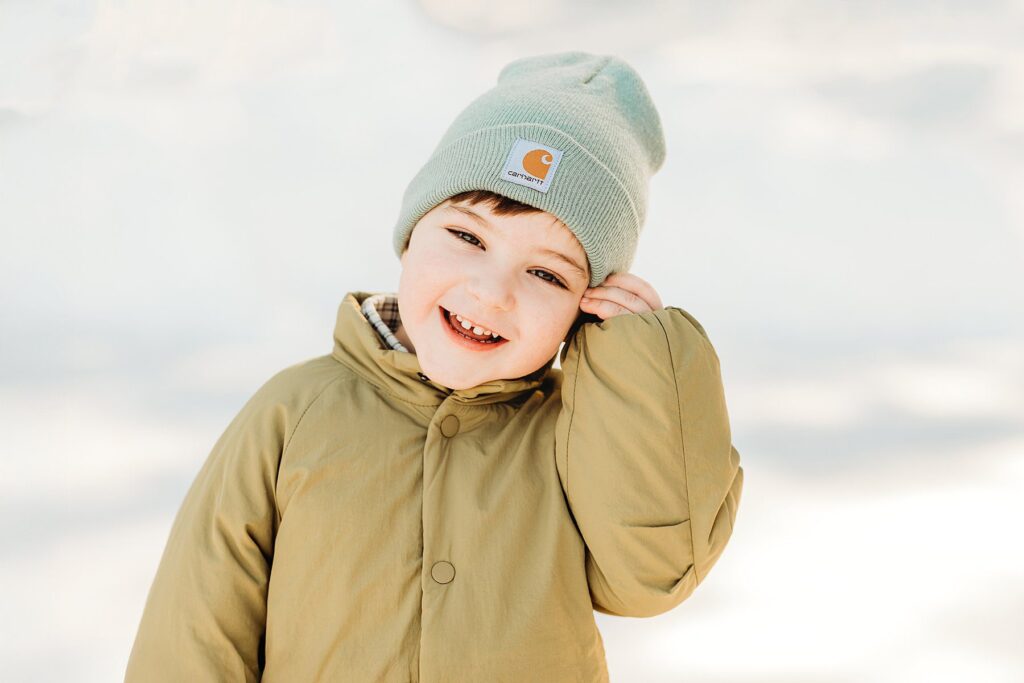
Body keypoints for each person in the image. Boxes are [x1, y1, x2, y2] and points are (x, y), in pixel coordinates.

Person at [124, 50, 744, 682]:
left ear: (587, 307)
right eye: (468, 237)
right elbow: (194, 630)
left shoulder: (576, 434)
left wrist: (639, 364)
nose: (491, 290)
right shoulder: (293, 413)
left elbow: (652, 574)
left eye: (546, 273)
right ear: (411, 233)